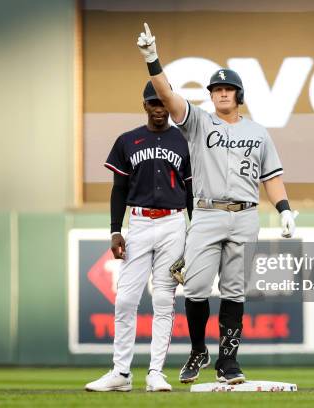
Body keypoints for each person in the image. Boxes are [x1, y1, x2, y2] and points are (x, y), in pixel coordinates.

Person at [136, 23, 298, 385]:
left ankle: (228, 360)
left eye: (228, 89)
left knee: (234, 291)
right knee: (194, 287)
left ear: (238, 95)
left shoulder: (258, 132)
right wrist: (152, 59)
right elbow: (168, 94)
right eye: (217, 89)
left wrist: (284, 208)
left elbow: (270, 176)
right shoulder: (197, 122)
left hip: (245, 215)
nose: (222, 93)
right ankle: (198, 350)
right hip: (207, 212)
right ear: (211, 95)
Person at [84, 81, 193, 392]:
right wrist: (115, 230)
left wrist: (194, 229)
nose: (159, 109)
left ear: (171, 105)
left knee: (163, 299)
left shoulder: (184, 141)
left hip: (173, 223)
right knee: (127, 298)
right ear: (145, 105)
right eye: (153, 103)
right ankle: (121, 372)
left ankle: (156, 372)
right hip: (140, 223)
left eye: (163, 103)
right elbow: (119, 189)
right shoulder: (128, 140)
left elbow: (190, 191)